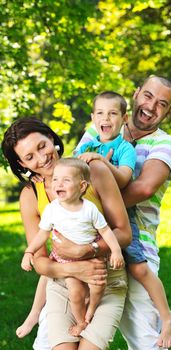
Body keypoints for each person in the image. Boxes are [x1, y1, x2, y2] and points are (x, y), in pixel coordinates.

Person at [2, 117, 131, 350]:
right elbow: (39, 261)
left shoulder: (94, 170)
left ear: (51, 138)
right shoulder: (31, 196)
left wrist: (87, 250)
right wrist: (73, 268)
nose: (42, 158)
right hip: (63, 283)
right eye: (29, 157)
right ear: (22, 164)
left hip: (105, 279)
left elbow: (123, 233)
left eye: (42, 146)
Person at [75, 75, 171, 350]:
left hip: (136, 242)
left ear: (169, 112)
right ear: (136, 94)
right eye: (148, 96)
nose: (151, 106)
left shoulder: (165, 144)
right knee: (70, 327)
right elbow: (73, 177)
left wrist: (98, 200)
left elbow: (143, 188)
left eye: (162, 104)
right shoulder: (98, 131)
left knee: (145, 340)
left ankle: (167, 318)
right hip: (87, 240)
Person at [21, 157, 124, 337]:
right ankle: (81, 321)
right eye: (55, 180)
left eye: (66, 180)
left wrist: (115, 251)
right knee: (75, 293)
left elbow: (107, 231)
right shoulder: (52, 209)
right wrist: (29, 251)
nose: (58, 184)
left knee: (98, 286)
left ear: (82, 186)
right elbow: (42, 234)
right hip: (66, 259)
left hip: (92, 257)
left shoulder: (89, 209)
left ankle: (91, 310)